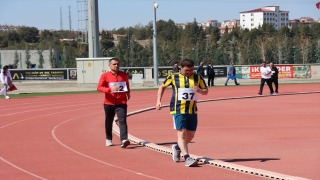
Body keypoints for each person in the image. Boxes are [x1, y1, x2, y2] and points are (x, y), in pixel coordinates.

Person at [156, 59, 208, 167]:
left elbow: (206, 91)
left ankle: (177, 147)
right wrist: (158, 101)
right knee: (182, 133)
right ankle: (187, 158)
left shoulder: (198, 77)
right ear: (181, 68)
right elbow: (162, 86)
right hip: (178, 109)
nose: (189, 72)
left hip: (192, 110)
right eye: (187, 70)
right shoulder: (173, 77)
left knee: (190, 136)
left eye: (191, 70)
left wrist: (199, 90)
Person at [97, 58, 131, 148]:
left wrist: (128, 92)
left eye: (118, 64)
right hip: (109, 103)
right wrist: (109, 89)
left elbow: (126, 84)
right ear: (109, 65)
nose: (116, 66)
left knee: (122, 121)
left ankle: (124, 139)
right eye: (114, 64)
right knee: (109, 121)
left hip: (121, 102)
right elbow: (99, 88)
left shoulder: (124, 75)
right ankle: (108, 138)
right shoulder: (105, 75)